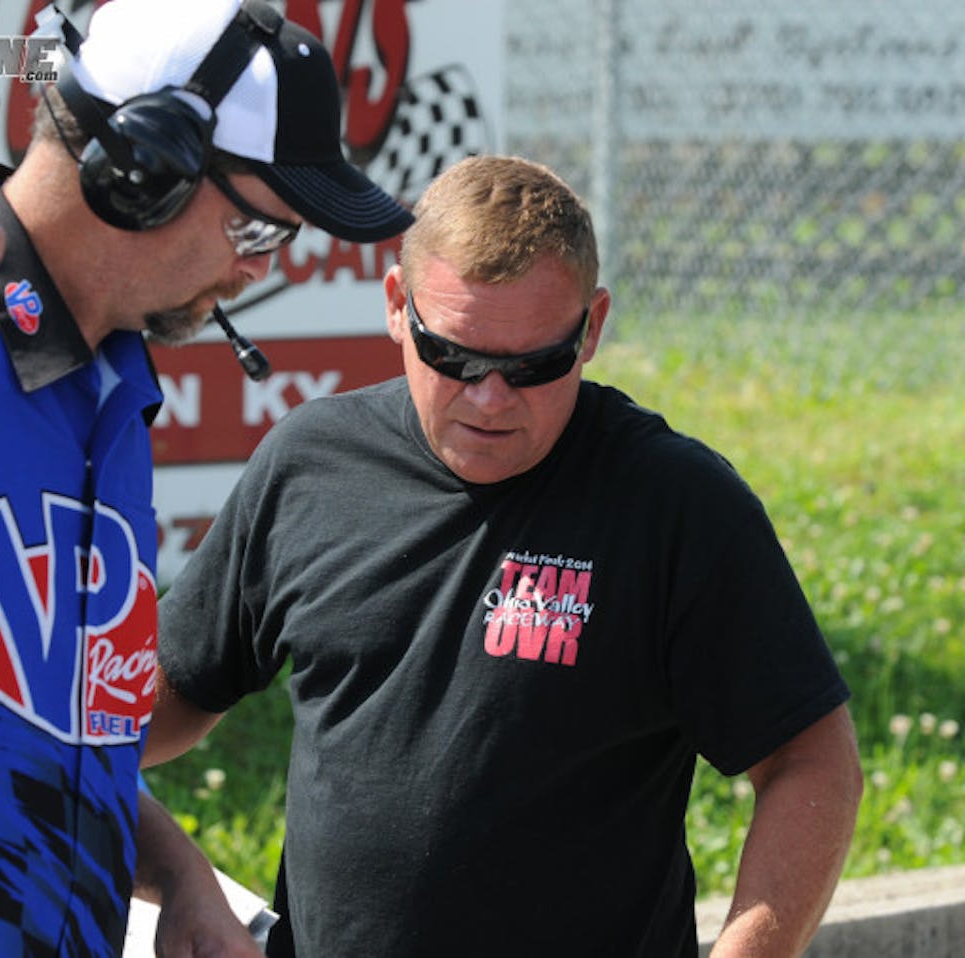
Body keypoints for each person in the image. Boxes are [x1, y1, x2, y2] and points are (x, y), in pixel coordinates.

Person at [0, 0, 411, 954]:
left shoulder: (112, 381)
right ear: (142, 171)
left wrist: (184, 876)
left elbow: (42, 734)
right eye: (260, 235)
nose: (250, 276)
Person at [147, 154, 864, 957]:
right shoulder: (310, 464)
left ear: (591, 330)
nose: (490, 397)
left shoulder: (674, 504)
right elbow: (163, 694)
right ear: (396, 308)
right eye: (453, 356)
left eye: (533, 366)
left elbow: (813, 763)